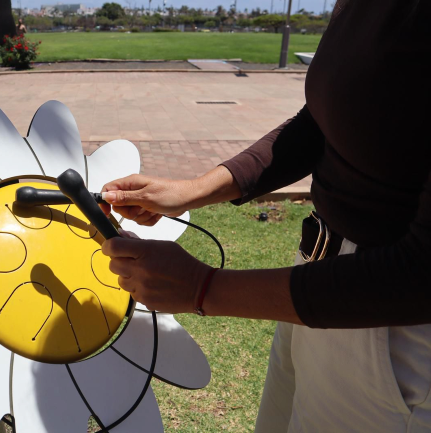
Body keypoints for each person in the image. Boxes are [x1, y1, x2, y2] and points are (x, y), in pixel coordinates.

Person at [99, 0, 430, 431]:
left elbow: (421, 273)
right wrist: (192, 191)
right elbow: (323, 121)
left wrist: (203, 288)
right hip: (315, 284)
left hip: (393, 333)